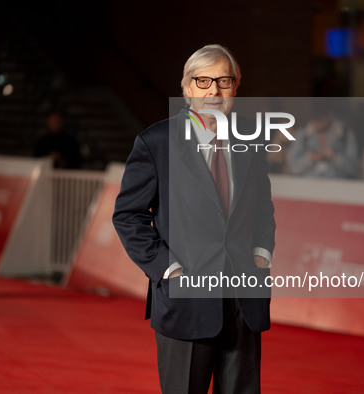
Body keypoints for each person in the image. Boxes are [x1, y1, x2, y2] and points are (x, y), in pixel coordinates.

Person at [112, 44, 276, 393]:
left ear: (236, 86)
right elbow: (128, 215)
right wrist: (166, 268)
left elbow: (262, 205)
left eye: (223, 80)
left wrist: (262, 251)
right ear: (187, 87)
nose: (214, 91)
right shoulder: (157, 141)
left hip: (243, 297)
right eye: (203, 81)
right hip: (185, 299)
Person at [287, 101, 358, 178]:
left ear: (330, 114)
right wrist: (310, 158)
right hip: (307, 186)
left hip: (337, 187)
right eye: (315, 120)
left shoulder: (345, 134)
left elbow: (353, 168)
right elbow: (293, 166)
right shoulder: (303, 134)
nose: (317, 124)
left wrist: (335, 157)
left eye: (320, 119)